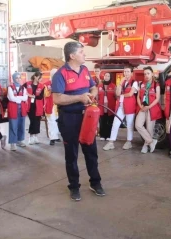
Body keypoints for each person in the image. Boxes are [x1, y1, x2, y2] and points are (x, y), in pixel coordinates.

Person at [52, 41, 104, 201]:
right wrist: (79, 97)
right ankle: (74, 187)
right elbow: (57, 98)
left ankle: (95, 182)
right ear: (72, 55)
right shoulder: (60, 74)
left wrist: (93, 93)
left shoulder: (85, 70)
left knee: (91, 152)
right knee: (72, 154)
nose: (85, 55)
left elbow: (93, 86)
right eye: (82, 52)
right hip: (69, 119)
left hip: (86, 117)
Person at [103, 65, 139, 151]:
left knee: (129, 124)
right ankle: (111, 142)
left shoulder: (134, 82)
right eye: (125, 71)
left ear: (131, 73)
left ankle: (129, 141)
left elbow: (130, 94)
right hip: (120, 105)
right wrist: (120, 83)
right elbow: (117, 93)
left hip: (130, 105)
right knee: (115, 123)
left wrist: (122, 95)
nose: (126, 73)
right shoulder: (122, 82)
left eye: (128, 72)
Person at [135, 66, 162, 153]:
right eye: (145, 74)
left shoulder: (156, 85)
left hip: (152, 108)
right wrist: (141, 106)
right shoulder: (141, 84)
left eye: (148, 73)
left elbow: (157, 98)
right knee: (138, 125)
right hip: (142, 108)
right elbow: (138, 97)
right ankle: (151, 141)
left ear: (152, 74)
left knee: (149, 128)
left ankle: (145, 146)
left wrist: (149, 107)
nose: (146, 75)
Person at [7, 72, 28, 151]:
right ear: (13, 79)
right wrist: (20, 98)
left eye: (20, 78)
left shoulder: (23, 88)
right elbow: (11, 98)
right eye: (17, 78)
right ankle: (13, 143)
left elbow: (25, 98)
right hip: (13, 109)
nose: (18, 79)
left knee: (21, 125)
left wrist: (17, 98)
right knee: (13, 125)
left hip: (22, 109)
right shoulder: (10, 87)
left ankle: (20, 140)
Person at [24, 71, 44, 144]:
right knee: (32, 121)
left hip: (38, 106)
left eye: (41, 78)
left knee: (37, 121)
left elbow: (40, 97)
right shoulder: (27, 84)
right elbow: (22, 90)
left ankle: (36, 136)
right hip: (30, 106)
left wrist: (32, 96)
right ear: (35, 77)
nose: (41, 79)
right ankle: (31, 137)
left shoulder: (42, 86)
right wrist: (26, 94)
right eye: (40, 77)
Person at [44, 68, 62, 145]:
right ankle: (52, 138)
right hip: (50, 105)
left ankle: (56, 136)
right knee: (51, 121)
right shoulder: (46, 84)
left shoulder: (60, 82)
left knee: (58, 121)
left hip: (58, 105)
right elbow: (46, 94)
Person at [97, 72, 116, 141]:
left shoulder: (114, 86)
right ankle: (102, 135)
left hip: (110, 107)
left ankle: (108, 135)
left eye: (108, 76)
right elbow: (97, 96)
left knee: (109, 122)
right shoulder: (99, 86)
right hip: (101, 107)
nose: (106, 77)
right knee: (102, 121)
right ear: (103, 76)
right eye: (105, 75)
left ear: (110, 77)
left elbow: (116, 97)